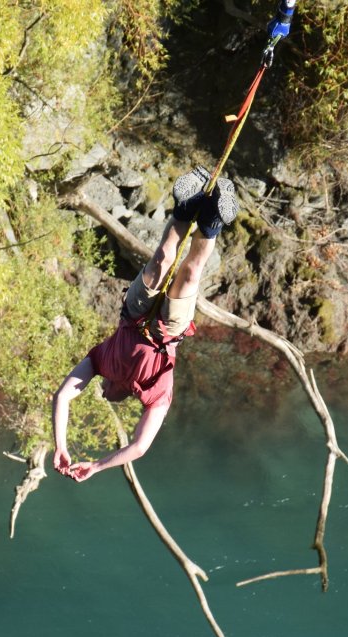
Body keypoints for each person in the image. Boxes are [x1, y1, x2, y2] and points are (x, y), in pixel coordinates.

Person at [52, 167, 238, 482]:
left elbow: (62, 397)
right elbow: (139, 447)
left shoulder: (99, 363)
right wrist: (97, 466)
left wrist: (60, 445)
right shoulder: (156, 396)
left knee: (161, 260)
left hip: (135, 312)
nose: (103, 393)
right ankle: (213, 220)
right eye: (105, 395)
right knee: (191, 273)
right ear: (118, 394)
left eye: (101, 391)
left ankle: (185, 205)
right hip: (168, 330)